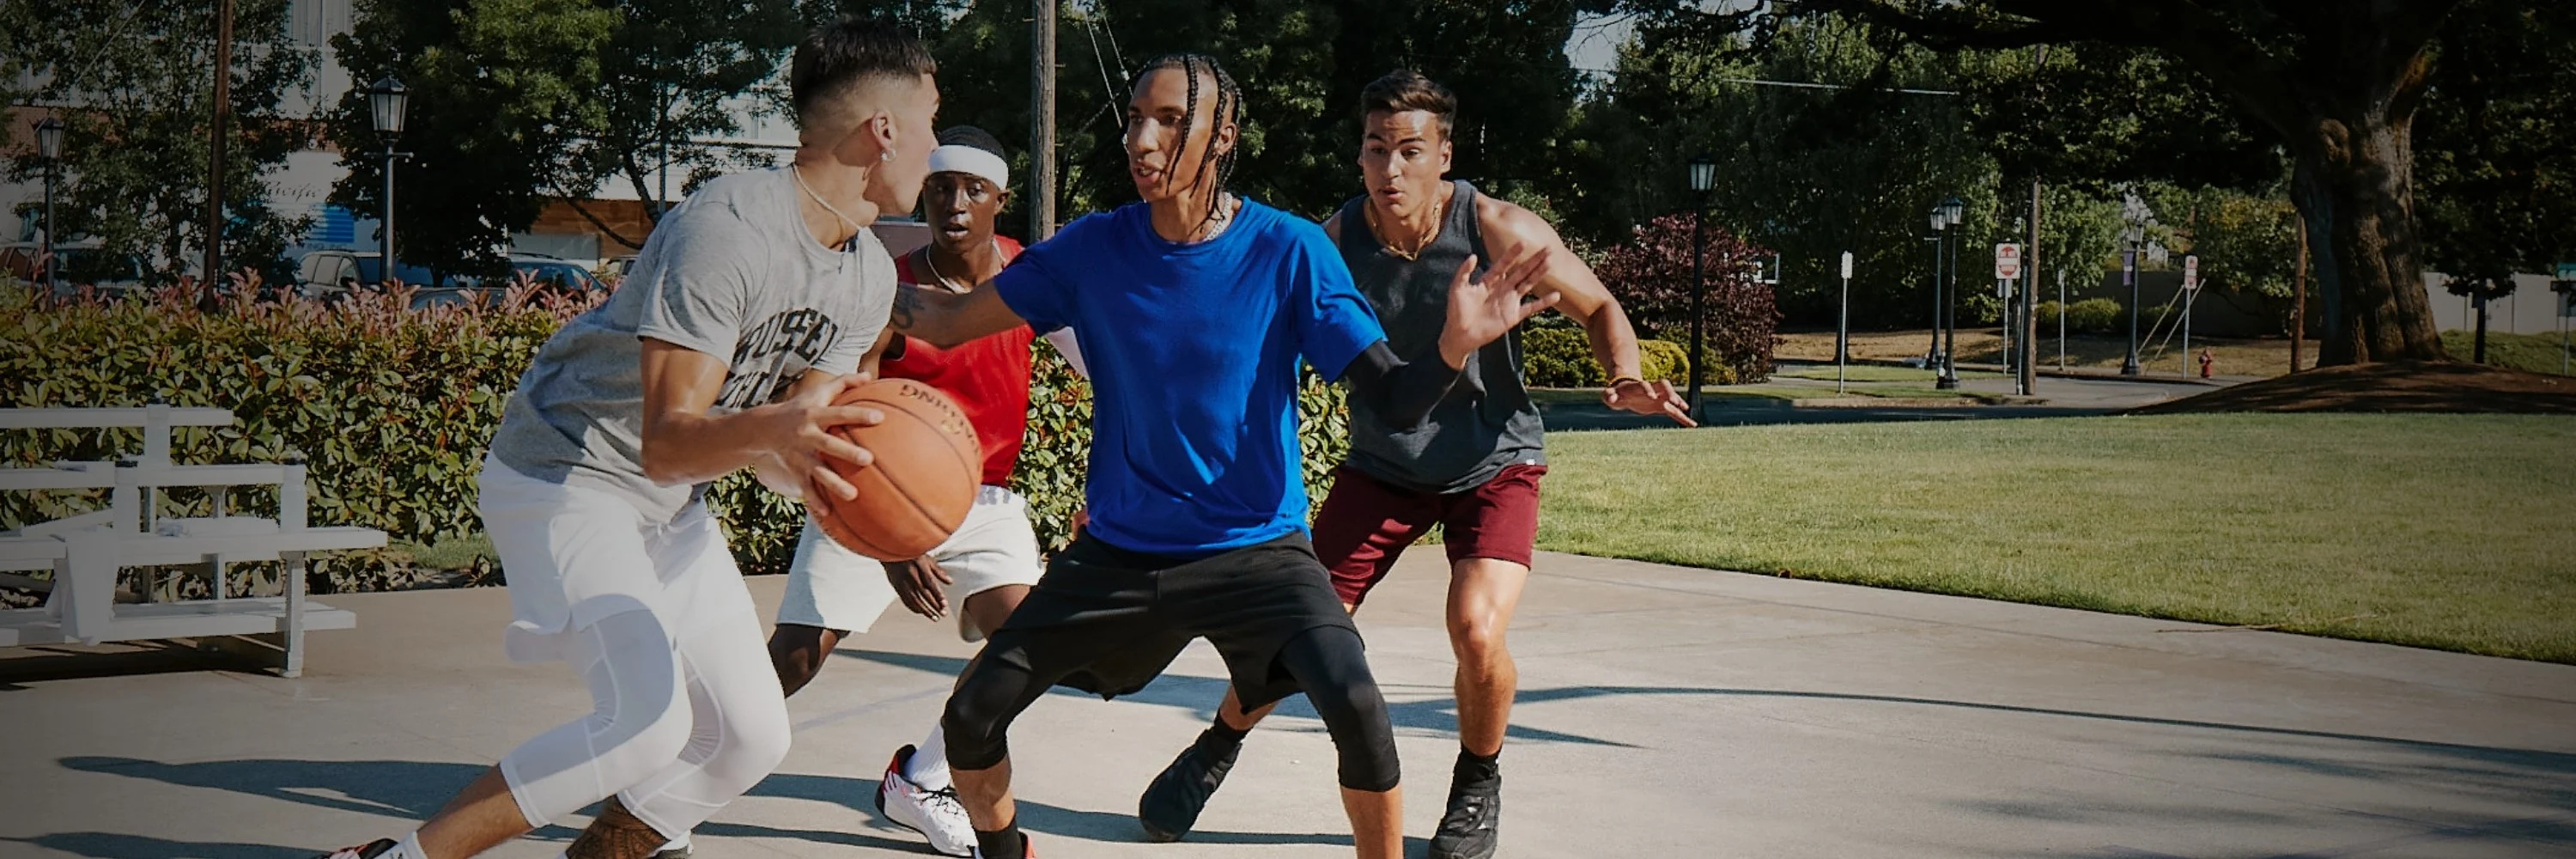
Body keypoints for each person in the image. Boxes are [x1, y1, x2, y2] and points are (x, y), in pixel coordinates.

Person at [888, 53, 1560, 859]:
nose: (1142, 139)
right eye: (1136, 118)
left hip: (1257, 554)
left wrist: (1452, 345)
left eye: (1170, 121)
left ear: (1223, 138)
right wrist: (829, 261)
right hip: (1120, 555)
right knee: (971, 716)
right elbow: (941, 319)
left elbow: (1395, 398)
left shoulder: (1290, 249)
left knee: (1358, 709)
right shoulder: (1091, 249)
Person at [311, 19, 938, 859]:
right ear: (883, 129)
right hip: (566, 474)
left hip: (667, 508)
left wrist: (844, 481)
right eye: (932, 123)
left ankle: (611, 847)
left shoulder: (868, 273)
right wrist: (787, 430)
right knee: (646, 724)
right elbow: (670, 439)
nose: (936, 150)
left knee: (753, 736)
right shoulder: (731, 226)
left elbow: (785, 447)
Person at [1133, 69, 1692, 859]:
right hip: (1384, 463)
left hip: (1493, 460)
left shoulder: (1496, 228)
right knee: (1301, 631)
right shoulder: (1332, 244)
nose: (1389, 169)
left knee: (1474, 627)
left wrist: (1624, 376)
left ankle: (1477, 781)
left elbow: (1597, 304)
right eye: (1374, 150)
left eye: (1409, 151)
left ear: (1444, 155)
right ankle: (1217, 746)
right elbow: (1256, 337)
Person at [751, 125, 1084, 858]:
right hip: (869, 490)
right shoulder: (888, 292)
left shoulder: (1031, 278)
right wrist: (890, 540)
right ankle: (660, 775)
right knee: (795, 659)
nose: (954, 203)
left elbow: (1103, 366)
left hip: (984, 499)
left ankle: (922, 779)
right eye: (939, 187)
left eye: (973, 189)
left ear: (1002, 199)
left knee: (1029, 644)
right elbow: (837, 406)